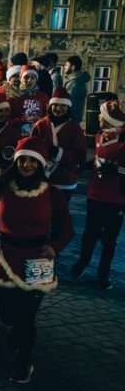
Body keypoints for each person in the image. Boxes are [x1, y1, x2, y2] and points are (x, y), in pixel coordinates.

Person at [0, 136, 73, 383]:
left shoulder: (52, 194)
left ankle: (24, 360)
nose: (26, 164)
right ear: (16, 161)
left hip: (39, 259)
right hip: (6, 257)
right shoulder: (2, 188)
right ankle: (16, 331)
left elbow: (67, 230)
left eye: (32, 160)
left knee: (27, 317)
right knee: (7, 315)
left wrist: (54, 247)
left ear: (41, 164)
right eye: (22, 159)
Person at [71, 100, 125, 289]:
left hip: (116, 198)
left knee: (110, 239)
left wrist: (116, 169)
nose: (99, 116)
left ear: (111, 118)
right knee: (89, 234)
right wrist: (82, 166)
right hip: (95, 194)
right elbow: (97, 160)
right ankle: (83, 261)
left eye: (102, 114)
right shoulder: (99, 135)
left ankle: (103, 274)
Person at [30, 87, 87, 202]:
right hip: (42, 179)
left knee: (60, 212)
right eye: (55, 105)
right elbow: (31, 148)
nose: (58, 108)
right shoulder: (40, 125)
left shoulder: (75, 128)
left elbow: (80, 156)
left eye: (63, 105)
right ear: (50, 106)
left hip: (64, 181)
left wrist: (59, 153)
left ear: (68, 107)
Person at [11, 65, 49, 137]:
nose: (29, 80)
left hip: (37, 135)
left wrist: (40, 120)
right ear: (20, 78)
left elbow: (48, 117)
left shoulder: (43, 96)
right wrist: (24, 120)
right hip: (17, 136)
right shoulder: (14, 95)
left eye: (33, 77)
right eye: (26, 77)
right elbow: (7, 119)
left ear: (36, 79)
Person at [62, 55, 91, 123]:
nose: (64, 67)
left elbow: (71, 103)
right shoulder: (75, 81)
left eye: (67, 65)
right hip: (71, 117)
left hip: (71, 118)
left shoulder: (76, 83)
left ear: (73, 67)